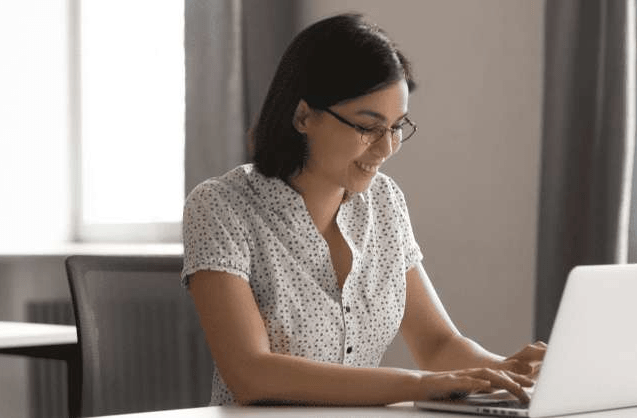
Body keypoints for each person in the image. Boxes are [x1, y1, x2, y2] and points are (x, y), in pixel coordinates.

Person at [181, 13, 546, 407]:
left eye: (396, 127)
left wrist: (508, 371)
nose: (386, 147)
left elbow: (438, 344)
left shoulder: (385, 201)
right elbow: (252, 374)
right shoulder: (220, 206)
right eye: (368, 127)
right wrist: (418, 385)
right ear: (303, 116)